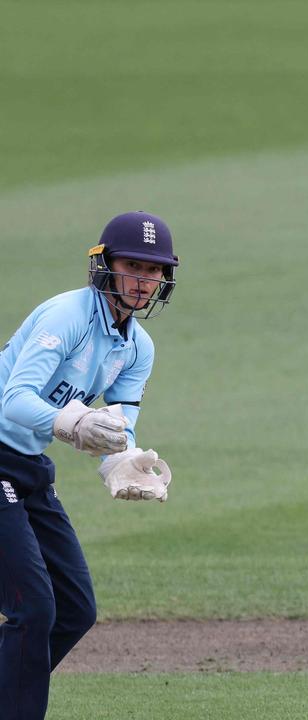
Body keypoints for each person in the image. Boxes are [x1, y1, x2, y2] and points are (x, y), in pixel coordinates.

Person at [0, 211, 177, 719]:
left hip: (28, 466)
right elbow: (14, 400)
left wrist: (123, 459)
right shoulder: (66, 316)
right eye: (133, 266)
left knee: (74, 609)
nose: (143, 281)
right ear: (104, 265)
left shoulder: (138, 347)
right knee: (33, 609)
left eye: (154, 271)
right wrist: (74, 424)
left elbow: (120, 423)